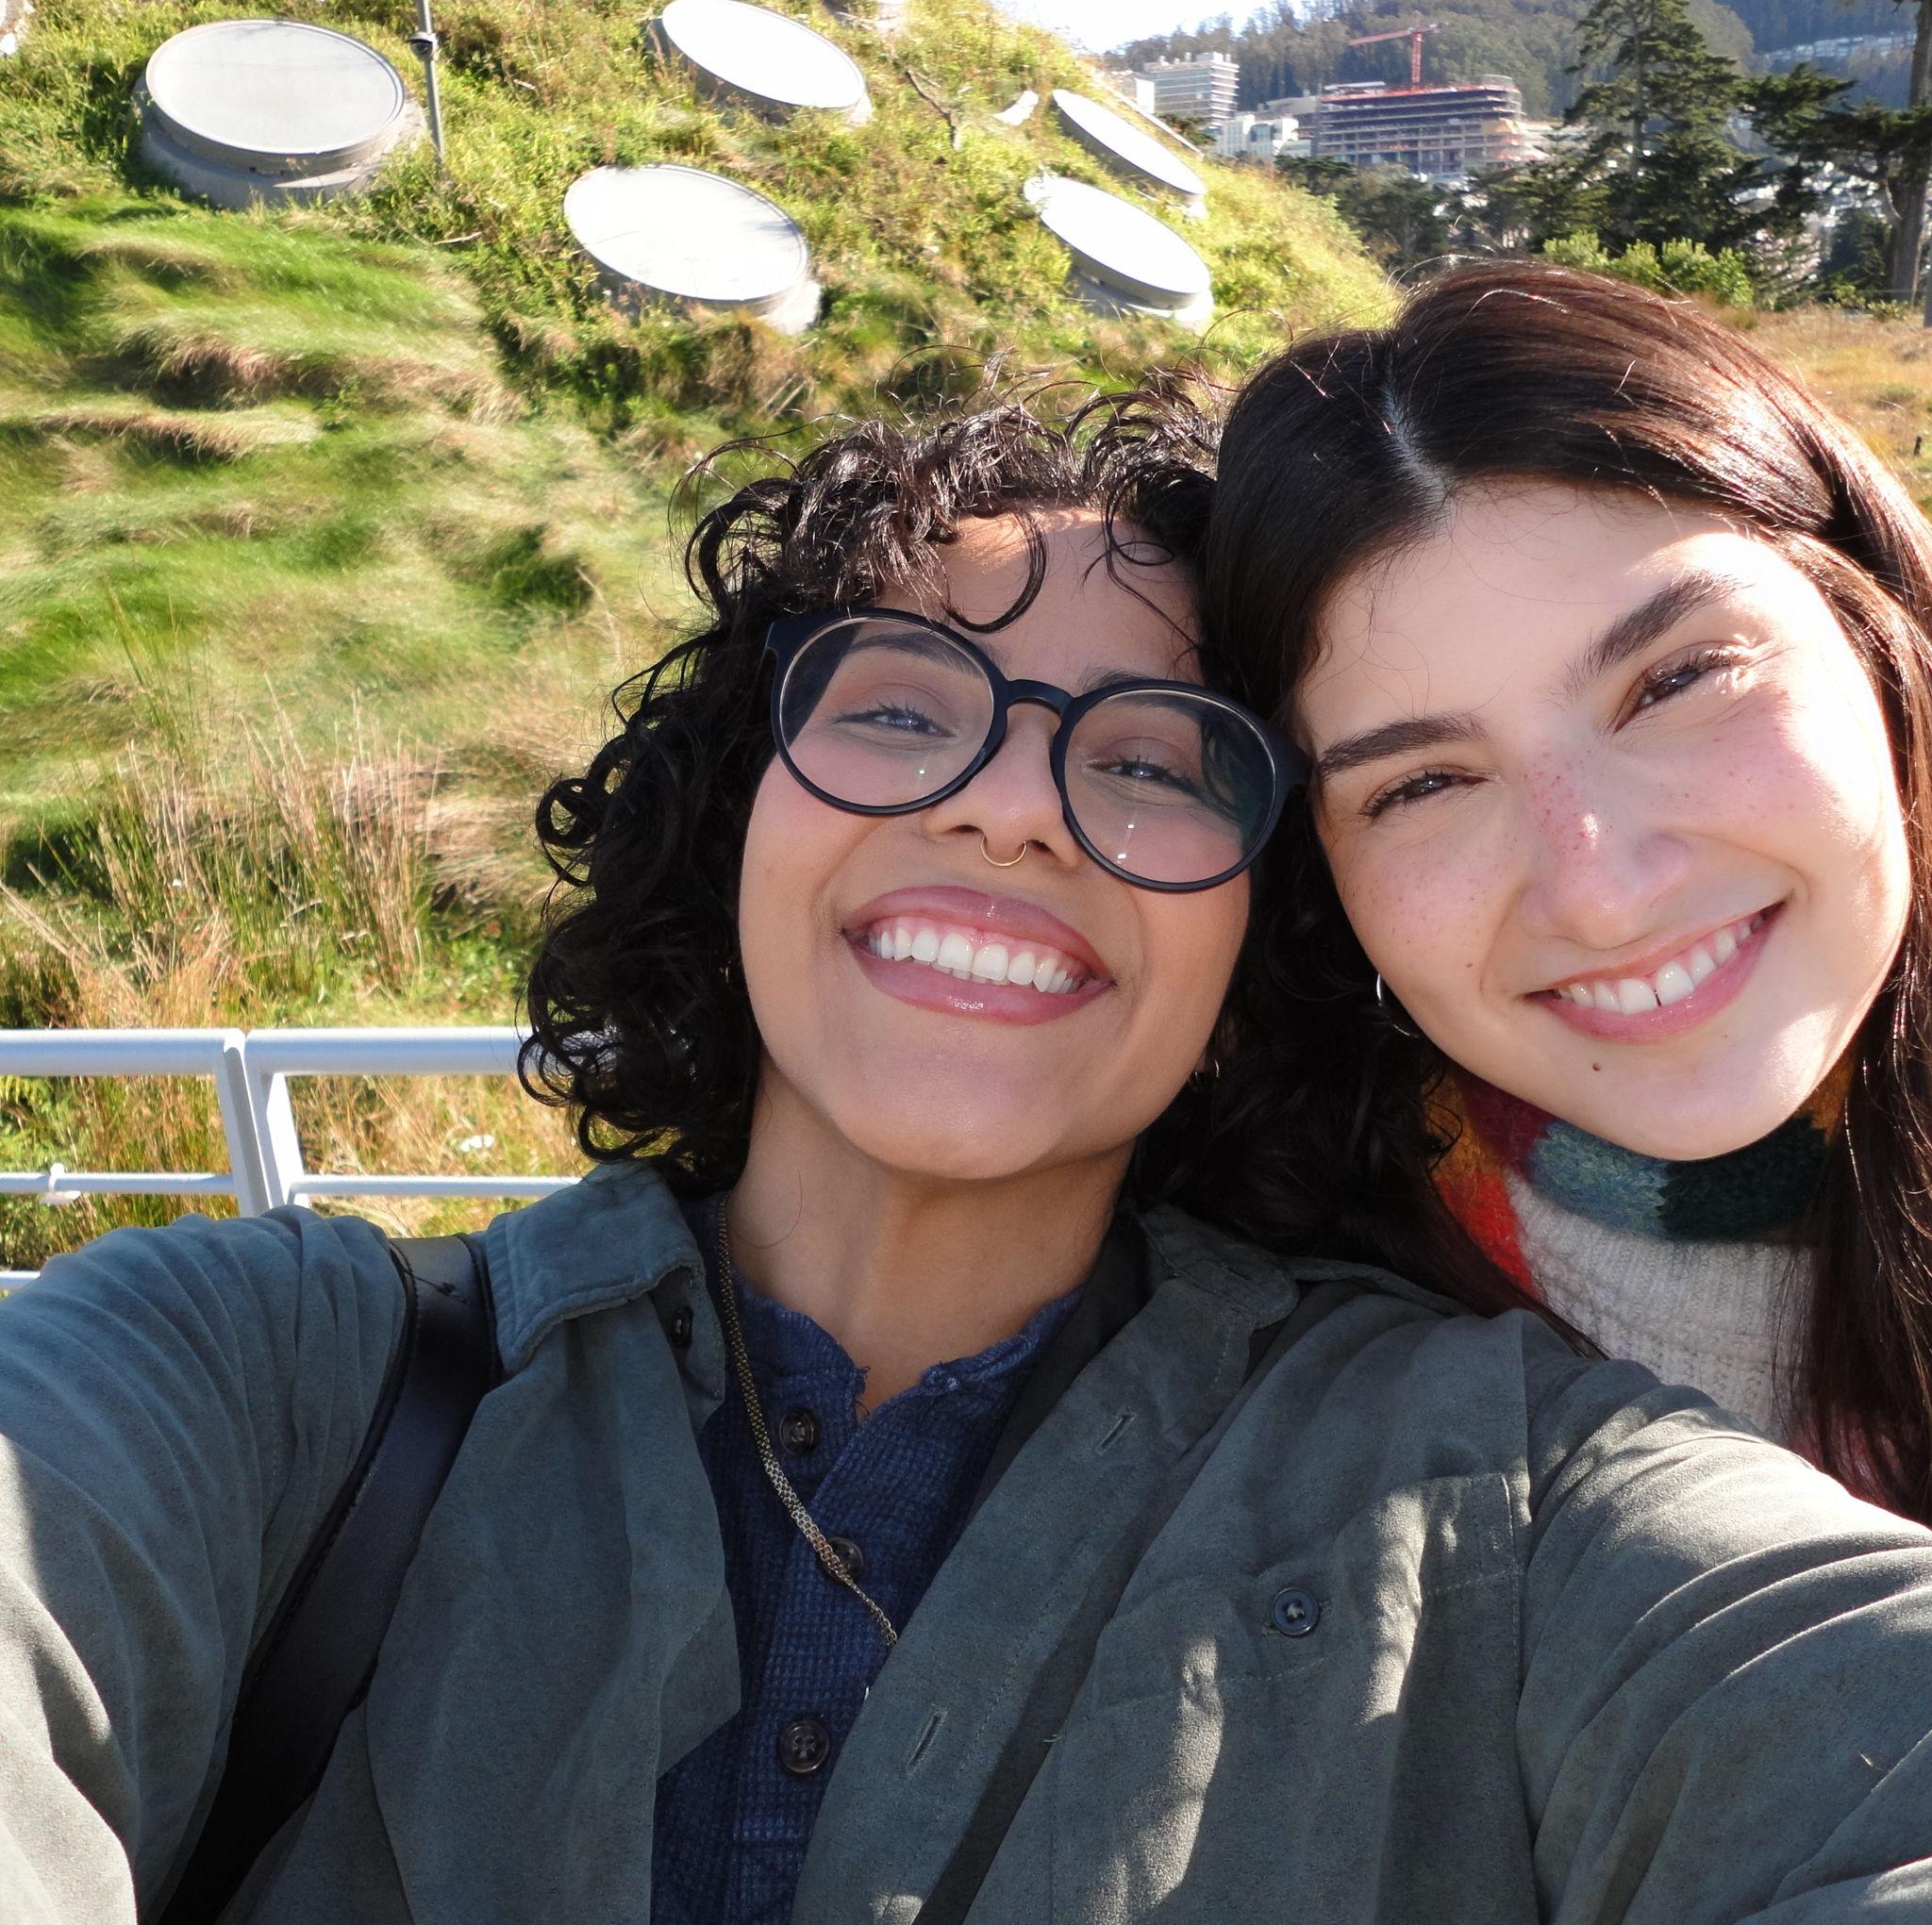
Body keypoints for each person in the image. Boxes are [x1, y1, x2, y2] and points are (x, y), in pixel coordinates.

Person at [7, 382, 1932, 1925]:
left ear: (1263, 933)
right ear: (734, 805)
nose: (1011, 805)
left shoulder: (1513, 1482)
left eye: (1156, 759)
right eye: (901, 710)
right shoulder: (262, 1378)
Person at [1205, 260, 1932, 1520]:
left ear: (1877, 634)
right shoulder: (1244, 1368)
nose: (1598, 893)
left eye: (1670, 686)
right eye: (1422, 786)